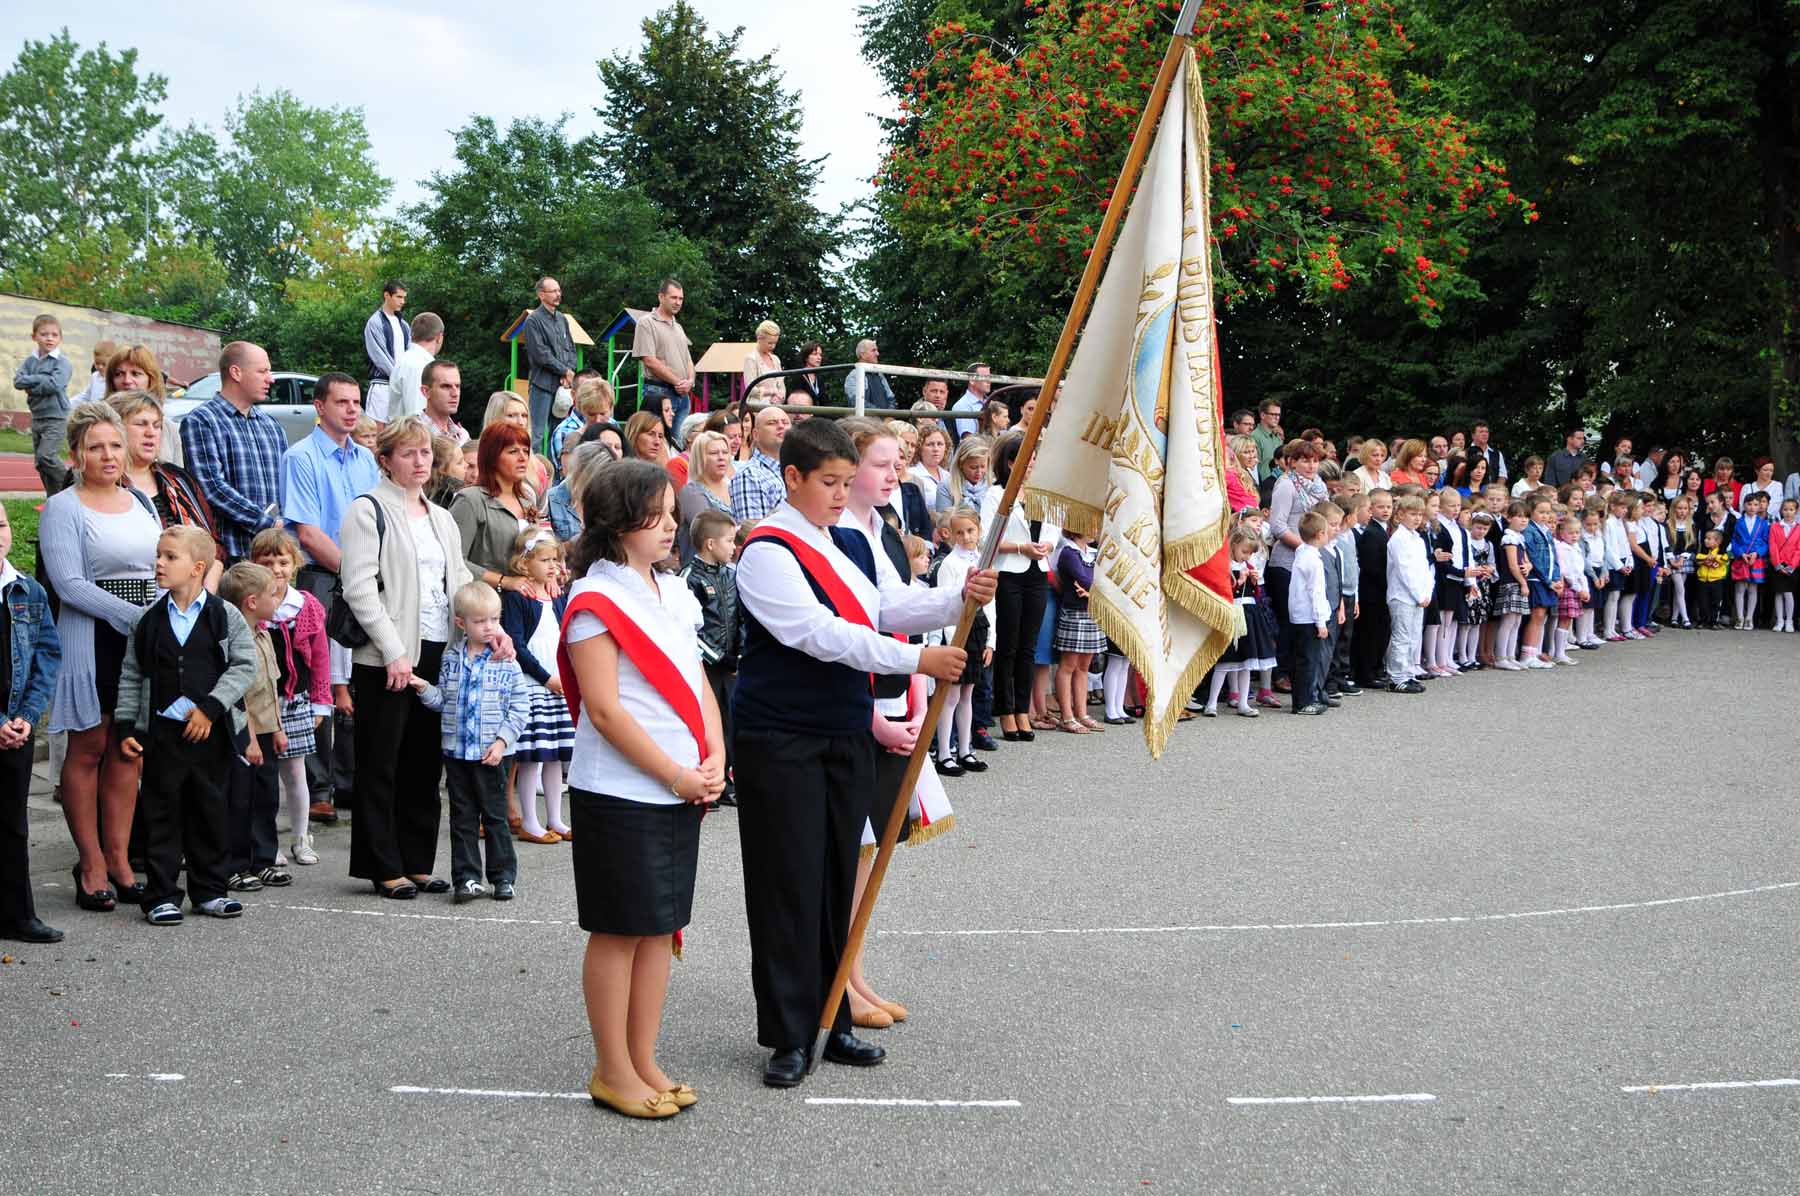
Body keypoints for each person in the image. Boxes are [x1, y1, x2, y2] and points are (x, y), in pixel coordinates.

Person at [732, 417, 993, 1087]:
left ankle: (833, 1018)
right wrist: (918, 660)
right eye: (829, 482)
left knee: (834, 878)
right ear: (792, 477)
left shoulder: (846, 538)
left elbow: (883, 606)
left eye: (847, 482)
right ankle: (788, 1034)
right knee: (788, 882)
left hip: (843, 729)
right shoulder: (766, 548)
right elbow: (819, 633)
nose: (840, 495)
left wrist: (955, 597)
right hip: (781, 736)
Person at [559, 459, 722, 1119]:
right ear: (618, 521)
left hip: (679, 783)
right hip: (620, 791)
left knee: (659, 929)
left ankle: (643, 1057)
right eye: (655, 515)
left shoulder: (673, 592)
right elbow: (604, 710)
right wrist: (677, 773)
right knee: (619, 931)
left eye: (672, 515)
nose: (669, 527)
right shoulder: (594, 601)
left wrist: (715, 751)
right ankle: (612, 1068)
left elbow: (697, 681)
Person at [340, 416, 473, 899]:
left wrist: (485, 628)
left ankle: (417, 861)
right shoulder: (367, 510)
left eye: (425, 453)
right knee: (381, 760)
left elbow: (458, 578)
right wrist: (393, 651)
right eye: (408, 453)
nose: (420, 462)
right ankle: (383, 864)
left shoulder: (441, 516)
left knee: (423, 761)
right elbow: (359, 588)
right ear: (385, 460)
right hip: (387, 654)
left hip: (438, 645)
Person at [43, 404, 162, 913]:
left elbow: (158, 568)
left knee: (128, 749)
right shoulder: (63, 508)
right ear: (76, 455)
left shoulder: (141, 501)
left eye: (115, 445)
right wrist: (134, 618)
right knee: (89, 746)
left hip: (141, 637)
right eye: (96, 447)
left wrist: (162, 618)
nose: (109, 455)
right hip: (92, 637)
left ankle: (119, 859)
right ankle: (90, 863)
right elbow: (69, 585)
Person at [116, 526, 258, 924]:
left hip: (210, 734)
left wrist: (210, 709)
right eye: (158, 555)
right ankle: (161, 895)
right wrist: (126, 727)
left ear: (197, 568)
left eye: (170, 557)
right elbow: (132, 675)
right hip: (163, 735)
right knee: (161, 813)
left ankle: (210, 890)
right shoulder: (146, 620)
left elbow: (244, 666)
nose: (159, 563)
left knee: (210, 812)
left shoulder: (224, 615)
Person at [281, 371, 380, 826]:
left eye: (356, 401)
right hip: (321, 575)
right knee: (318, 676)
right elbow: (307, 532)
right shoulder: (301, 457)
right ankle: (318, 787)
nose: (352, 409)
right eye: (342, 402)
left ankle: (350, 781)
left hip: (361, 575)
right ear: (319, 407)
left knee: (356, 674)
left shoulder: (366, 458)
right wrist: (355, 571)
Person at [413, 581, 530, 903]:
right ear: (461, 623)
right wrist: (423, 688)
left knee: (495, 817)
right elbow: (443, 700)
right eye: (480, 621)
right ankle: (466, 878)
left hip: (491, 754)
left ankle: (502, 877)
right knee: (462, 818)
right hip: (456, 752)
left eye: (494, 619)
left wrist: (502, 742)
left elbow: (520, 707)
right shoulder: (451, 658)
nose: (489, 627)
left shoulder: (506, 660)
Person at [0, 505, 63, 944]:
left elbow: (47, 654)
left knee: (12, 823)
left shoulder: (28, 591)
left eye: (1, 525)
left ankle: (18, 914)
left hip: (15, 729)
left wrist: (26, 716)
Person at [248, 530, 330, 867]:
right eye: (267, 562)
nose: (276, 569)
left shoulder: (305, 606)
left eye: (283, 562)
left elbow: (320, 657)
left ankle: (300, 836)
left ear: (295, 564)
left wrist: (321, 701)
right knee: (262, 775)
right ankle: (266, 842)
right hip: (260, 703)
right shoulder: (250, 606)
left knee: (296, 773)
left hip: (295, 699)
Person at [499, 529, 575, 843]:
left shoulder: (557, 596)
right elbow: (517, 645)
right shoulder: (518, 597)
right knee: (532, 756)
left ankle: (555, 817)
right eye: (544, 560)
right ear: (524, 563)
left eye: (555, 560)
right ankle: (530, 821)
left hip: (558, 684)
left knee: (554, 754)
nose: (552, 566)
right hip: (534, 685)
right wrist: (545, 678)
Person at [981, 432, 1058, 742]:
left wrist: (1047, 546)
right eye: (1027, 460)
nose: (1032, 465)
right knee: (1008, 645)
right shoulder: (996, 494)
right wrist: (1020, 548)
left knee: (1029, 645)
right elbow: (988, 538)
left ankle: (1022, 709)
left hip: (1037, 573)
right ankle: (1005, 710)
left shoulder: (1042, 493)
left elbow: (1053, 528)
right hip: (1009, 572)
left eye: (1034, 459)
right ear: (1011, 463)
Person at [180, 342, 285, 563]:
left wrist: (281, 530)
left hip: (272, 555)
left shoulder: (272, 426)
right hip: (230, 555)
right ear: (236, 373)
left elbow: (286, 486)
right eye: (262, 371)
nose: (271, 379)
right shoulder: (202, 421)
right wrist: (267, 524)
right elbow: (211, 488)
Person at [219, 562, 288, 893]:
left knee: (266, 798)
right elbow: (240, 695)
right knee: (239, 801)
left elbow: (271, 689)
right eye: (272, 595)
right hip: (244, 737)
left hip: (265, 732)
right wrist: (249, 740)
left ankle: (263, 859)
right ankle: (235, 865)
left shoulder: (264, 636)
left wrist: (277, 729)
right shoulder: (236, 642)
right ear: (251, 602)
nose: (277, 600)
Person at [112, 390, 223, 590]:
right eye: (141, 424)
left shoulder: (178, 479)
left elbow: (213, 545)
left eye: (157, 426)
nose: (151, 432)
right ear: (116, 430)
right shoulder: (106, 484)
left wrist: (205, 594)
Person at [681, 509, 740, 804]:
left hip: (732, 663)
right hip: (706, 665)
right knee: (707, 723)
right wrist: (718, 658)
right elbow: (688, 629)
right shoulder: (688, 578)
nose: (734, 547)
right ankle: (706, 779)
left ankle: (725, 781)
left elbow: (741, 616)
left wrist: (740, 652)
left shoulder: (732, 575)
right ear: (710, 544)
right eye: (729, 541)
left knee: (730, 721)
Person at [931, 506, 994, 768]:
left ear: (979, 529)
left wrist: (991, 642)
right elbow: (944, 605)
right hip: (957, 630)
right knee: (951, 696)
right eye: (960, 532)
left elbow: (990, 604)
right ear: (951, 534)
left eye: (970, 530)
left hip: (978, 628)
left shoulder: (983, 560)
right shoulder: (950, 564)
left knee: (968, 694)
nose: (966, 537)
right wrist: (953, 642)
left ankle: (965, 750)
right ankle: (945, 752)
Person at [451, 422, 541, 597]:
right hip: (483, 603)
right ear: (492, 457)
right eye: (513, 451)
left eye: (525, 451)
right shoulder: (470, 500)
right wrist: (504, 581)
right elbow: (454, 560)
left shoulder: (527, 501)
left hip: (525, 604)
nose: (522, 458)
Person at [1203, 530, 1271, 717]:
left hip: (1249, 615)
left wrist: (1254, 582)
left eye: (1250, 553)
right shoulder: (1225, 566)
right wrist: (1239, 581)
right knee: (1226, 662)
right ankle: (1211, 703)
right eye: (1244, 552)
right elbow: (1223, 591)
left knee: (1246, 663)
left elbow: (1255, 594)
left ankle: (1243, 703)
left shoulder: (1248, 565)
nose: (1247, 556)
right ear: (1233, 546)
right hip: (1232, 614)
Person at [14, 313, 73, 494]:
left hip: (56, 416)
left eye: (54, 335)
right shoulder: (30, 361)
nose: (49, 338)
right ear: (34, 337)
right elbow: (18, 381)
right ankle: (54, 497)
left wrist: (32, 385)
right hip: (38, 416)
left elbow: (55, 385)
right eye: (44, 334)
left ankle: (73, 483)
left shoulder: (62, 362)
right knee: (40, 464)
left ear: (60, 338)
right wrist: (41, 378)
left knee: (46, 456)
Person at [633, 278, 696, 444]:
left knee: (678, 444)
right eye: (673, 297)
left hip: (683, 395)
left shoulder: (679, 327)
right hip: (658, 392)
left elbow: (689, 361)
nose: (678, 302)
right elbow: (649, 360)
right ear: (661, 297)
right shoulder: (646, 323)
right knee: (657, 443)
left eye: (681, 298)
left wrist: (690, 381)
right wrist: (679, 382)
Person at [522, 277, 579, 450]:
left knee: (559, 433)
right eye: (553, 291)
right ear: (541, 294)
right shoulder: (533, 321)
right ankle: (533, 467)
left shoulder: (562, 319)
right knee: (537, 435)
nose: (558, 294)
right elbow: (541, 354)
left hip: (562, 387)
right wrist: (564, 371)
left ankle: (555, 467)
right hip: (542, 385)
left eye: (559, 290)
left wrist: (569, 372)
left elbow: (571, 348)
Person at [1287, 510, 1333, 714]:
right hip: (1308, 617)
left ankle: (1303, 698)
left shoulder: (1302, 552)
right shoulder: (1314, 560)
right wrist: (1321, 622)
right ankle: (1303, 702)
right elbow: (1316, 592)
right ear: (1320, 534)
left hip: (1298, 616)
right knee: (1308, 661)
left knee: (1301, 660)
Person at [1384, 495, 1432, 691]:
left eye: (1420, 514)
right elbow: (1405, 571)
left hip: (1418, 596)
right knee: (1402, 637)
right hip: (1402, 595)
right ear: (1400, 515)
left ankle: (1408, 672)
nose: (1417, 518)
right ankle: (1397, 677)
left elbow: (1425, 569)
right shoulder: (1398, 539)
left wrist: (1426, 593)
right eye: (1412, 514)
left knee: (1414, 636)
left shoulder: (1417, 539)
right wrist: (1418, 594)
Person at [1352, 488, 1393, 687]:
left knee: (1381, 631)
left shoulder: (1381, 531)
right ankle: (1366, 673)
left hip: (1380, 591)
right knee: (1371, 633)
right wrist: (1387, 583)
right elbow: (1371, 566)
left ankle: (1376, 668)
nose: (1385, 510)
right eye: (1380, 507)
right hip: (1372, 592)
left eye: (1389, 507)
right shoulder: (1371, 533)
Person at [676, 430, 735, 563]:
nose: (721, 457)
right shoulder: (692, 492)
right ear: (699, 458)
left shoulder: (734, 486)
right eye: (713, 453)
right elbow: (709, 532)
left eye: (725, 452)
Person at [1519, 495, 1563, 668]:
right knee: (1536, 615)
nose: (1545, 516)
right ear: (1531, 512)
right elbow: (1534, 558)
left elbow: (1553, 556)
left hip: (1548, 579)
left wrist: (1556, 578)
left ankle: (1535, 651)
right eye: (1541, 512)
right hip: (1537, 579)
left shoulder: (1545, 531)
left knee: (1541, 616)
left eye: (1547, 512)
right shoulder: (1529, 531)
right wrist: (1548, 581)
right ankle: (1527, 654)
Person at [729, 404, 791, 522]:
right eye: (772, 423)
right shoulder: (749, 475)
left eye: (785, 422)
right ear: (755, 435)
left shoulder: (799, 468)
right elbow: (751, 529)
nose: (781, 426)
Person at [1492, 501, 1534, 666]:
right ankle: (1501, 657)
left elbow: (1526, 561)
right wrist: (1523, 583)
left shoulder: (1519, 538)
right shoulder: (1509, 538)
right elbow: (1512, 565)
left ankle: (1511, 656)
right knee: (1508, 621)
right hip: (1511, 582)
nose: (1523, 520)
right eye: (1519, 516)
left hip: (1519, 582)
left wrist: (1529, 566)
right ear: (1509, 518)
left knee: (1516, 621)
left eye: (1526, 517)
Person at [363, 281, 410, 423]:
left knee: (400, 430)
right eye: (399, 297)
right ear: (386, 295)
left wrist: (406, 379)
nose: (403, 301)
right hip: (382, 384)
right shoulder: (375, 322)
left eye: (404, 297)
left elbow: (409, 354)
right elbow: (379, 356)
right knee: (378, 431)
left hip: (400, 386)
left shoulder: (404, 325)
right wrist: (399, 377)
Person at [386, 311, 442, 424]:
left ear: (412, 336)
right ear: (439, 337)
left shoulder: (410, 360)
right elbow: (416, 416)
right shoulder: (418, 365)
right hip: (412, 433)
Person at [551, 379, 617, 474]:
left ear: (611, 408)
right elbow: (568, 475)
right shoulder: (567, 434)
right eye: (591, 414)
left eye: (603, 414)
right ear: (582, 410)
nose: (598, 420)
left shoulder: (614, 426)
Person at [1729, 490, 1771, 628]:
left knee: (1753, 589)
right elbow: (1734, 540)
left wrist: (1757, 553)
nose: (1752, 507)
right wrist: (1740, 553)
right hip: (1741, 559)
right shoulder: (1738, 522)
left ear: (1759, 506)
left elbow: (1766, 542)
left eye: (1755, 504)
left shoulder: (1763, 523)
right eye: (1749, 504)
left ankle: (1749, 618)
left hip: (1755, 559)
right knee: (1740, 589)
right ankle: (1740, 617)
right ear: (1744, 505)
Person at [420, 360, 468, 446]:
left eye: (457, 386)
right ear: (426, 391)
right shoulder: (411, 435)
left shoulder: (463, 436)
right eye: (446, 386)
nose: (455, 394)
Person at [743, 321, 786, 412]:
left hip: (777, 405)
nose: (773, 346)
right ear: (759, 339)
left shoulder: (775, 359)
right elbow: (750, 389)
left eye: (775, 343)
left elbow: (782, 385)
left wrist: (780, 397)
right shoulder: (751, 359)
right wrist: (772, 392)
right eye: (770, 343)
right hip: (757, 407)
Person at [845, 338, 896, 412]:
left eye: (877, 350)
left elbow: (891, 399)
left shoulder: (880, 375)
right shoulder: (853, 376)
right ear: (863, 355)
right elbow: (857, 402)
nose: (877, 354)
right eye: (873, 350)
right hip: (867, 419)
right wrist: (882, 415)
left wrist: (890, 415)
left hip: (885, 417)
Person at [102, 343, 166, 400]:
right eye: (119, 374)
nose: (127, 381)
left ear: (151, 379)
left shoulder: (164, 409)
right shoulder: (100, 409)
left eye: (135, 374)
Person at [1695, 529, 1730, 628]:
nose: (1705, 540)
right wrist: (1706, 559)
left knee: (1716, 601)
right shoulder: (1703, 550)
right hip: (1703, 580)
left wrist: (1714, 557)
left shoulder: (1722, 552)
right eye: (1705, 538)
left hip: (1716, 580)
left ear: (1717, 541)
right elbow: (1698, 558)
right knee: (1703, 601)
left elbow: (1724, 559)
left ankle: (1714, 621)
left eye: (1709, 539)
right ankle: (1702, 621)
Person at [949, 363, 992, 440]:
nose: (989, 381)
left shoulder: (991, 402)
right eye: (985, 377)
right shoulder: (962, 406)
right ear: (972, 380)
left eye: (990, 377)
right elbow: (970, 441)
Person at [75, 340, 116, 405]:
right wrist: (68, 403)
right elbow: (85, 396)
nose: (100, 367)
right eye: (97, 363)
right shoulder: (95, 376)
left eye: (104, 364)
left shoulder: (115, 380)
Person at [1468, 421, 1508, 486]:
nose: (1485, 434)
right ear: (1473, 435)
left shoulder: (1497, 454)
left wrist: (1495, 489)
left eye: (1486, 432)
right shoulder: (1465, 452)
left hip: (1493, 490)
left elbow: (1503, 475)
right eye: (1481, 432)